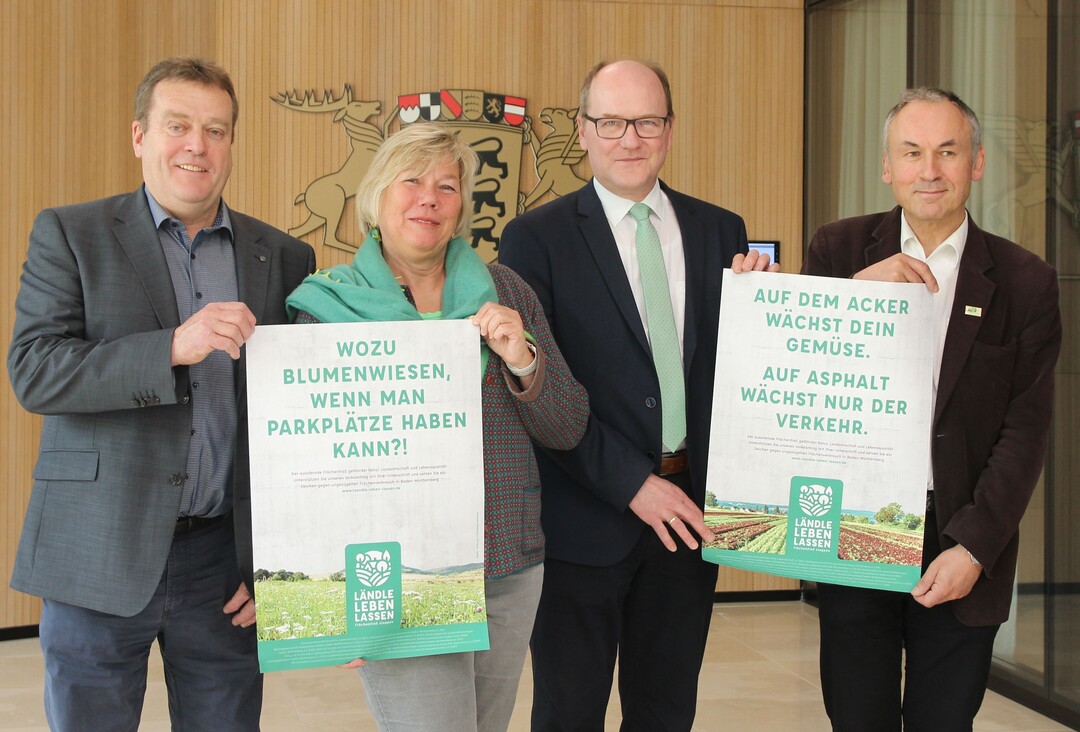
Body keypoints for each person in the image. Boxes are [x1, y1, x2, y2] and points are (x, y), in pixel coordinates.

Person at [7, 57, 316, 730]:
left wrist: (283, 562)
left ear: (232, 142)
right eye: (177, 125)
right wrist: (171, 348)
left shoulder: (283, 255)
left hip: (223, 566)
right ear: (140, 135)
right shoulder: (71, 233)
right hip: (98, 548)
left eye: (216, 129)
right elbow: (34, 370)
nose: (197, 145)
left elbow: (295, 423)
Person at [284, 122, 589, 732]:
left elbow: (568, 425)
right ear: (376, 197)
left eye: (447, 186)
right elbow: (302, 472)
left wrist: (523, 359)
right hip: (395, 574)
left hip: (506, 563)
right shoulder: (326, 306)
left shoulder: (505, 291)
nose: (430, 197)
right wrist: (329, 600)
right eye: (413, 180)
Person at [499, 59, 775, 730]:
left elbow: (734, 370)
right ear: (584, 131)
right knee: (570, 712)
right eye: (611, 122)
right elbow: (537, 393)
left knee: (666, 709)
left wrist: (766, 304)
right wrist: (631, 484)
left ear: (670, 130)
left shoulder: (721, 231)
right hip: (581, 522)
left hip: (690, 520)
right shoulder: (534, 239)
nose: (630, 138)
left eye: (647, 121)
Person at [803, 88, 1062, 731]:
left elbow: (1024, 432)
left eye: (948, 152)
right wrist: (851, 294)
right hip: (855, 531)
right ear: (886, 167)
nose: (930, 170)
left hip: (961, 537)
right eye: (911, 152)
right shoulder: (837, 252)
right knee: (856, 717)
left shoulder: (1026, 280)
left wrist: (974, 546)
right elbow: (802, 381)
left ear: (976, 163)